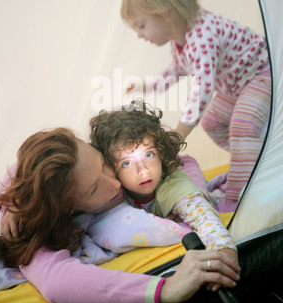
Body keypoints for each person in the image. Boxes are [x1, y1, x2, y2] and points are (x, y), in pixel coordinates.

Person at [0, 127, 241, 303]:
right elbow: (56, 282)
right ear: (66, 208)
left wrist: (12, 203)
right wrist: (166, 289)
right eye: (93, 189)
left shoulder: (73, 157)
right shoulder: (28, 235)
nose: (114, 183)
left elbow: (22, 164)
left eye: (104, 165)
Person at [121, 0, 271, 212]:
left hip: (260, 76)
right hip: (235, 86)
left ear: (166, 13)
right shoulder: (180, 39)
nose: (139, 34)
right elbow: (177, 69)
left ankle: (236, 197)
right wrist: (147, 86)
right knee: (213, 123)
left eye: (141, 25)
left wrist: (181, 131)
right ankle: (256, 156)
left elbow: (203, 86)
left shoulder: (203, 35)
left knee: (242, 126)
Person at [90, 100, 238, 264]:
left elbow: (204, 216)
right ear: (111, 169)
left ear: (160, 152)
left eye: (148, 155)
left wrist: (225, 251)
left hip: (184, 170)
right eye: (127, 163)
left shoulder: (171, 182)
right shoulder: (113, 192)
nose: (143, 170)